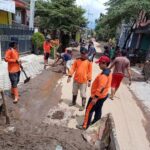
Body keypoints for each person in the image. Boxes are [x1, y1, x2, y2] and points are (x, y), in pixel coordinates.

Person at [76, 56, 112, 130]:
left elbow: (101, 87)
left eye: (100, 63)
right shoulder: (108, 71)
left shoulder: (104, 75)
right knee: (98, 109)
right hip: (103, 96)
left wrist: (95, 98)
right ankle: (96, 122)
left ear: (104, 63)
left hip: (97, 96)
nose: (98, 65)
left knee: (89, 110)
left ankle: (85, 126)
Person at [5, 38, 21, 103]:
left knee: (17, 81)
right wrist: (14, 60)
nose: (17, 45)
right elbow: (6, 59)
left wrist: (20, 63)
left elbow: (17, 59)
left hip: (17, 69)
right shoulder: (9, 51)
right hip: (12, 70)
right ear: (13, 44)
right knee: (14, 82)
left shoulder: (15, 50)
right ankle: (16, 97)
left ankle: (12, 91)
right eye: (16, 43)